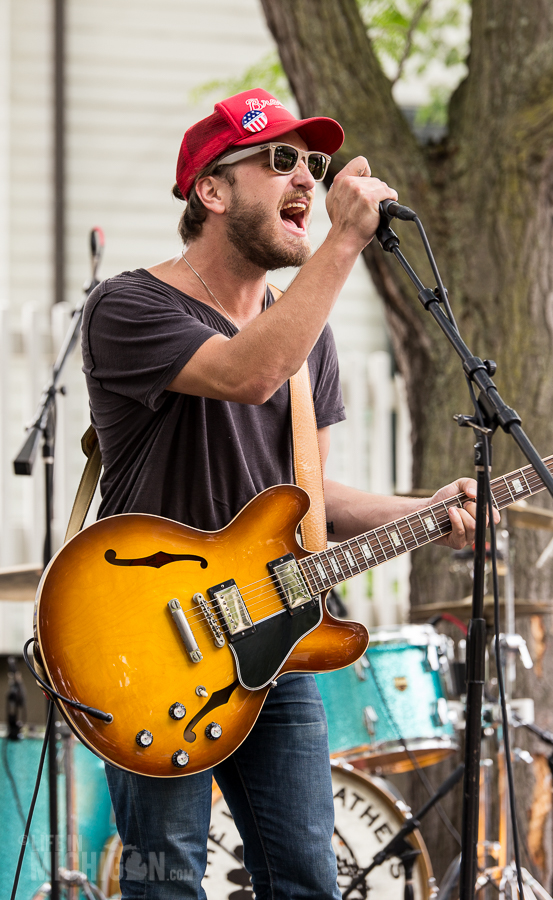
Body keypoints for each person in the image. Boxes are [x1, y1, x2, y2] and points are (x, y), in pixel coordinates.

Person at [81, 88, 490, 900]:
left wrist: (427, 510)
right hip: (151, 641)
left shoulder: (311, 337)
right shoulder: (130, 304)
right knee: (166, 881)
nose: (308, 177)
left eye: (316, 162)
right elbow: (245, 371)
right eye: (280, 160)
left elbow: (309, 497)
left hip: (274, 643)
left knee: (307, 878)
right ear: (212, 189)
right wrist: (344, 241)